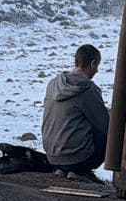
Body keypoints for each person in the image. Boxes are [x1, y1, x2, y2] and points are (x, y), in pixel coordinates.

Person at [40, 43, 110, 181]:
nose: (97, 71)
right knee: (110, 130)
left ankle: (63, 169)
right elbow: (104, 124)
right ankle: (81, 171)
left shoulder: (53, 83)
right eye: (97, 66)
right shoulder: (88, 89)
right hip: (77, 159)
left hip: (52, 157)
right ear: (92, 64)